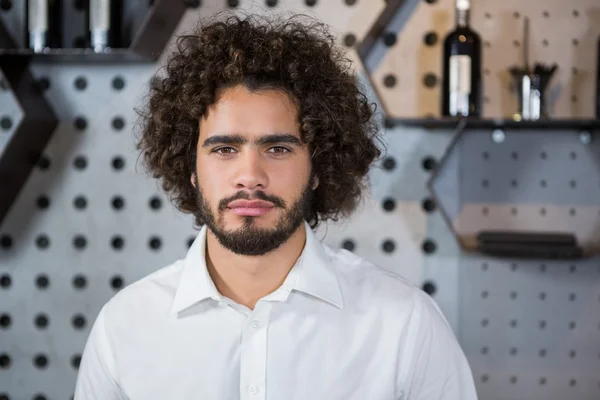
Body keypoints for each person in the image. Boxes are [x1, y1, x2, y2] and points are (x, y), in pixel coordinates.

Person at [74, 12, 478, 400]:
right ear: (190, 168)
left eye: (279, 148)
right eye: (225, 149)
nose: (250, 176)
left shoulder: (405, 326)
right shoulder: (123, 327)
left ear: (318, 167)